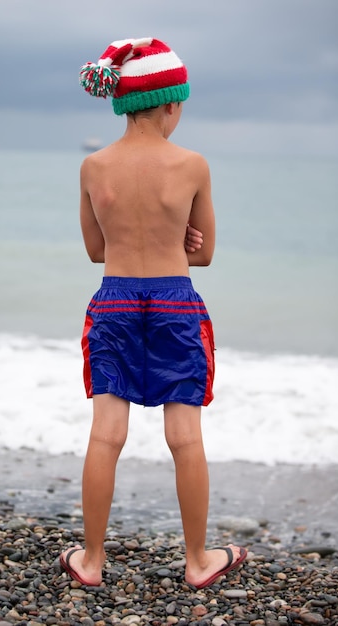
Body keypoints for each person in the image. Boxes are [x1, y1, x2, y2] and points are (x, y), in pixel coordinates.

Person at [60, 37, 246, 589]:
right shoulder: (191, 164)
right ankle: (197, 561)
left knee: (105, 436)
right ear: (170, 103)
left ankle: (90, 561)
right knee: (184, 435)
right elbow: (206, 253)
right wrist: (180, 240)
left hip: (114, 298)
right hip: (174, 302)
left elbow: (96, 250)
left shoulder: (94, 167)